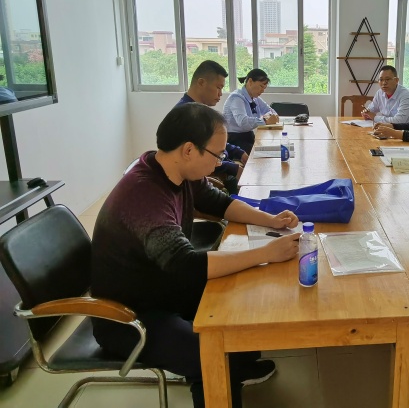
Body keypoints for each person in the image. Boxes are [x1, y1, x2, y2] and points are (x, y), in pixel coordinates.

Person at [91, 103, 301, 408]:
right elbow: (186, 265)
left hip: (162, 288)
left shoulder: (174, 170)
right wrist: (265, 253)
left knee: (241, 298)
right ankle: (225, 372)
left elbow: (219, 203)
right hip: (129, 316)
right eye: (217, 155)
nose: (220, 162)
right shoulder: (144, 195)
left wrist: (270, 220)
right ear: (189, 150)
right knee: (211, 355)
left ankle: (239, 366)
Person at [176, 60, 248, 193]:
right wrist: (232, 168)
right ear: (201, 83)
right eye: (218, 87)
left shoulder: (201, 111)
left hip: (223, 165)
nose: (220, 93)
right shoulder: (187, 115)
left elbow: (212, 143)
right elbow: (197, 159)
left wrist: (238, 152)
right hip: (211, 176)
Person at [223, 68, 278, 154]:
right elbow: (243, 122)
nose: (262, 91)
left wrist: (272, 116)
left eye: (264, 88)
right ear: (250, 81)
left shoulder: (255, 98)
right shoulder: (237, 98)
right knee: (265, 153)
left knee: (272, 149)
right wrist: (265, 120)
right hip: (235, 140)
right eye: (261, 86)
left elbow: (270, 111)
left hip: (248, 136)